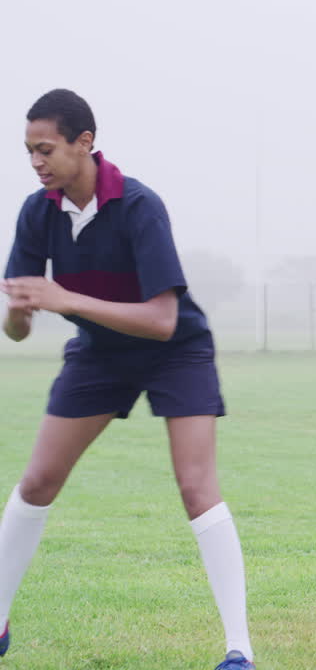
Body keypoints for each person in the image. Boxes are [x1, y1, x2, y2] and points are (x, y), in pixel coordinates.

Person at [0, 89, 254, 669]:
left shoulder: (139, 205)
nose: (36, 162)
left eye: (46, 149)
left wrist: (66, 299)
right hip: (98, 354)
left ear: (84, 142)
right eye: (28, 151)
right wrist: (19, 309)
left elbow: (163, 320)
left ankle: (239, 650)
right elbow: (16, 332)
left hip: (176, 351)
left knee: (196, 486)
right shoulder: (37, 212)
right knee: (37, 480)